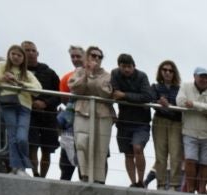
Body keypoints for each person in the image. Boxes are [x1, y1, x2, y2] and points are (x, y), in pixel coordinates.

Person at [0, 45, 39, 175]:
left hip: (25, 107)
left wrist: (21, 84)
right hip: (8, 104)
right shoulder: (1, 66)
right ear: (9, 55)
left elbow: (38, 90)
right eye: (13, 54)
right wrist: (1, 79)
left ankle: (21, 166)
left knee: (21, 137)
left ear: (23, 58)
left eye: (19, 55)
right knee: (12, 136)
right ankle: (18, 168)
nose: (16, 57)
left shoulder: (27, 73)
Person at [66, 46, 114, 184]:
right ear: (87, 57)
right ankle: (84, 176)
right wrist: (87, 74)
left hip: (102, 114)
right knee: (82, 143)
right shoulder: (79, 72)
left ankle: (99, 179)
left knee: (100, 147)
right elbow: (75, 89)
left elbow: (106, 93)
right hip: (82, 110)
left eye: (99, 57)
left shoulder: (107, 75)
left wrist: (94, 76)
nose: (96, 59)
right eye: (93, 55)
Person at [108, 54, 153, 187]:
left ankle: (141, 181)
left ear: (134, 66)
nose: (127, 70)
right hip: (124, 121)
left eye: (129, 67)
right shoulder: (115, 74)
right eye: (124, 67)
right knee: (128, 154)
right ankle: (133, 182)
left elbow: (147, 96)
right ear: (119, 67)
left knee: (137, 148)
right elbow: (114, 93)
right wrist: (125, 96)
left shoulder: (142, 76)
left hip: (141, 122)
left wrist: (125, 95)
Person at [178, 66, 207, 195]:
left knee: (206, 164)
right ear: (194, 76)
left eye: (206, 77)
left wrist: (194, 105)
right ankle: (190, 188)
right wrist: (204, 109)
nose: (204, 79)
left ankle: (201, 190)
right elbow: (180, 102)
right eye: (201, 76)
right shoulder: (185, 86)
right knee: (190, 160)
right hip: (190, 131)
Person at [19, 42, 57, 178]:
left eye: (33, 50)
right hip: (29, 113)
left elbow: (58, 95)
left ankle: (43, 176)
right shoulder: (18, 72)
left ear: (37, 53)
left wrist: (45, 103)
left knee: (47, 148)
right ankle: (35, 173)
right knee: (33, 145)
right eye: (27, 50)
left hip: (49, 115)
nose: (30, 53)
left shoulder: (50, 72)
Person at [147, 60, 182, 190]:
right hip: (160, 121)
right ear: (160, 72)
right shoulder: (155, 87)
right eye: (165, 70)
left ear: (174, 73)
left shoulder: (180, 89)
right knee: (160, 155)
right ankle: (160, 184)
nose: (167, 73)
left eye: (170, 70)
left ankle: (174, 184)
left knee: (175, 155)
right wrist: (166, 107)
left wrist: (168, 106)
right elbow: (153, 102)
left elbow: (180, 107)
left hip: (176, 123)